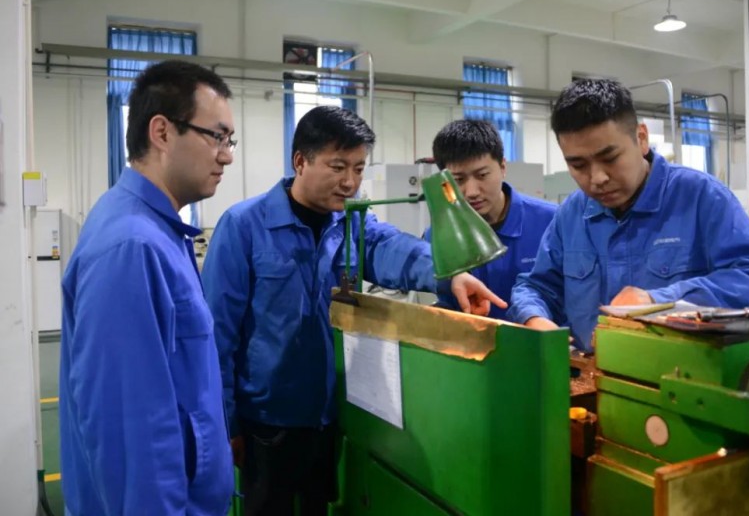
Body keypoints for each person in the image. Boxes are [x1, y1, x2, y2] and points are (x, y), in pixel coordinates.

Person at [201, 105, 504, 516]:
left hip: (328, 418)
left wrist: (450, 276)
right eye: (338, 166)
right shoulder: (244, 226)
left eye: (359, 169)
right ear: (300, 161)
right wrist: (226, 423)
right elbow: (217, 335)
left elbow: (394, 249)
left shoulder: (352, 223)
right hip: (265, 422)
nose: (350, 181)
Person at [59, 60, 237, 514]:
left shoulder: (160, 233)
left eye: (229, 140)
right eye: (217, 137)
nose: (227, 156)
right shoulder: (131, 247)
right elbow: (131, 437)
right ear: (161, 132)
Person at [507, 78, 749, 351]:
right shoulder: (571, 214)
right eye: (578, 165)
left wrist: (658, 301)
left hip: (682, 375)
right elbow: (536, 286)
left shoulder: (701, 197)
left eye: (610, 158)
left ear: (641, 139)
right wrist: (534, 317)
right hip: (593, 374)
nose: (598, 178)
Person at [424, 119, 557, 319]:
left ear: (503, 167)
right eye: (458, 180)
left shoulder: (551, 222)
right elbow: (447, 298)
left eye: (482, 175)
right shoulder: (437, 238)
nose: (472, 192)